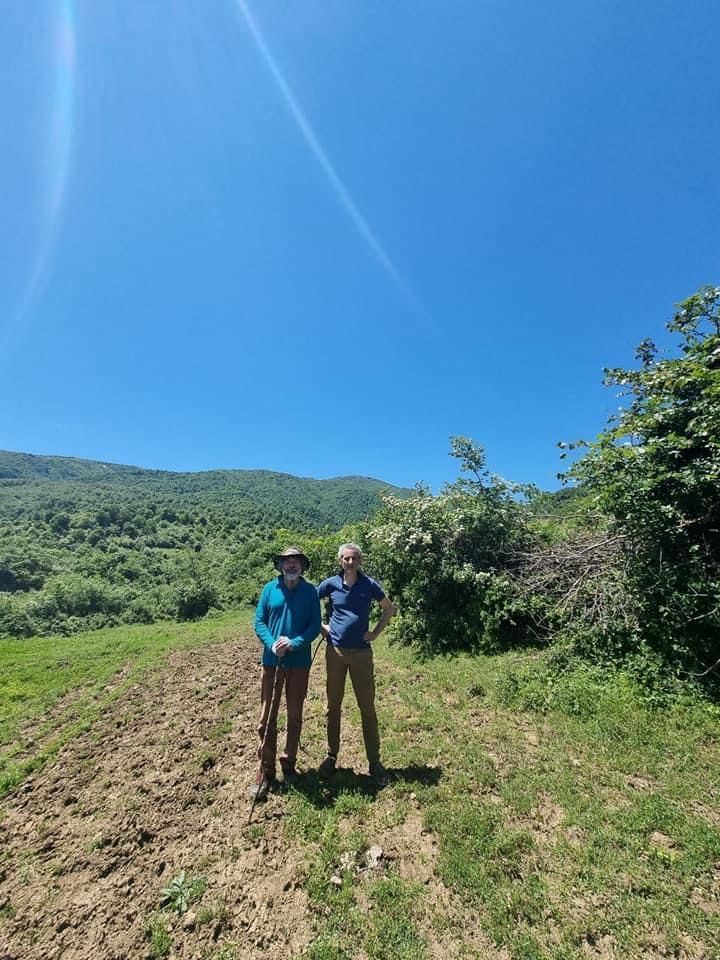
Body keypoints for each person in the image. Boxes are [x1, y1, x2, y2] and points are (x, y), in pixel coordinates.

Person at [317, 542, 396, 785]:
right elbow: (310, 603)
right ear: (340, 561)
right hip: (336, 652)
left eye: (354, 559)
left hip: (362, 653)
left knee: (367, 708)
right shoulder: (330, 584)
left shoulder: (369, 584)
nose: (350, 562)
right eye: (346, 559)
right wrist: (322, 627)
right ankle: (331, 756)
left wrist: (375, 633)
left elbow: (389, 609)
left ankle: (374, 761)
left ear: (359, 561)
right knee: (333, 706)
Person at [251, 546, 321, 800]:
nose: (291, 565)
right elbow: (259, 621)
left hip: (299, 662)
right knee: (266, 718)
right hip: (272, 662)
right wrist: (272, 643)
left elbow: (314, 626)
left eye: (296, 561)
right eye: (286, 561)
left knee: (295, 715)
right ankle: (265, 769)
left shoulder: (310, 591)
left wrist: (294, 643)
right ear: (280, 565)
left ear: (302, 566)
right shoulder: (269, 589)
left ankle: (288, 763)